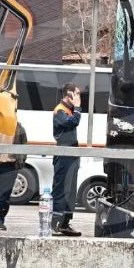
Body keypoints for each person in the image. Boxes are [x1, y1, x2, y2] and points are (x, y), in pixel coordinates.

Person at [52, 83, 83, 236]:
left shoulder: (68, 110)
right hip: (63, 155)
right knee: (61, 190)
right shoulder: (60, 110)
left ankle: (65, 224)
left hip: (72, 155)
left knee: (70, 192)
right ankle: (56, 224)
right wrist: (77, 108)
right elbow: (72, 122)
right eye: (77, 94)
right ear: (69, 94)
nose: (79, 97)